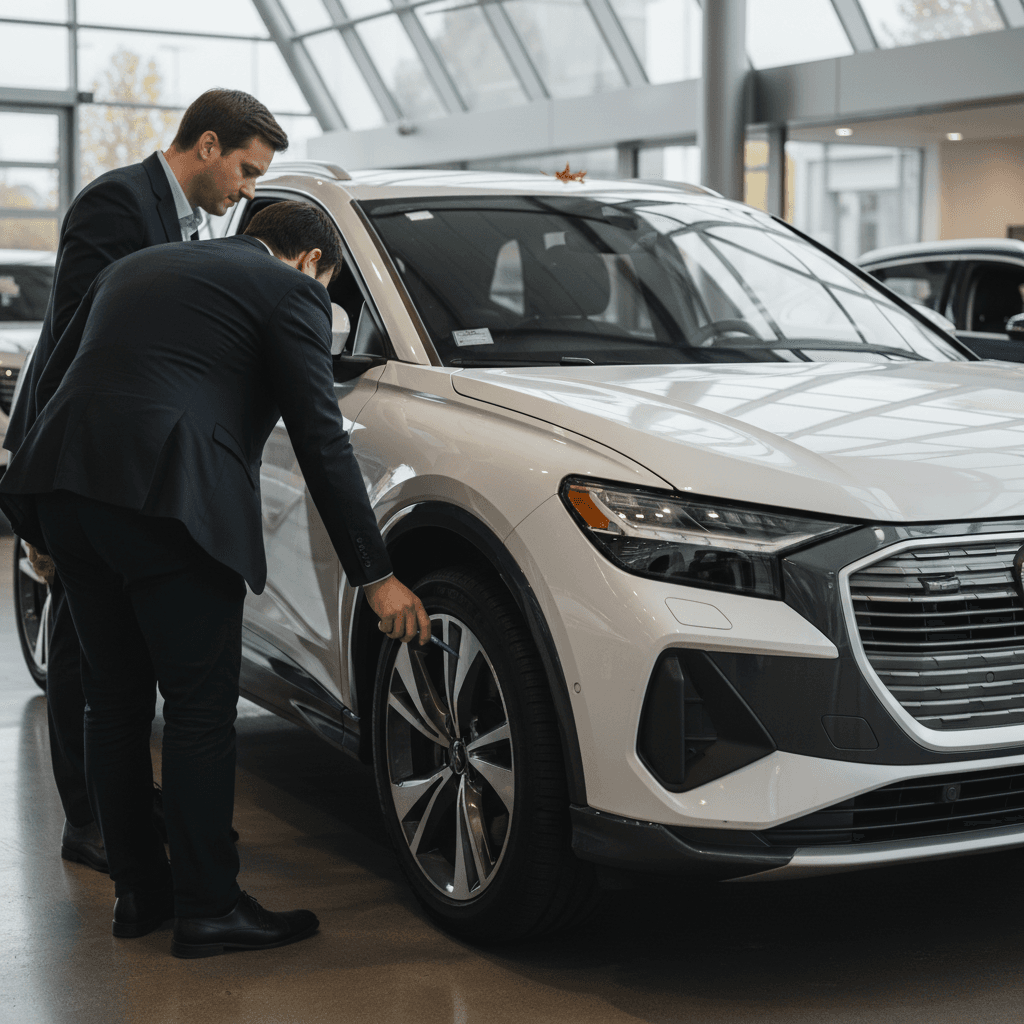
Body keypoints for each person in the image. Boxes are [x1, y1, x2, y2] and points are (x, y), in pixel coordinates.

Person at [0, 201, 431, 957]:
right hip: (168, 502)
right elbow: (321, 439)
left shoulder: (135, 266)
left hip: (66, 489)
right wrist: (377, 577)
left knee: (115, 702)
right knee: (199, 711)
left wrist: (31, 520)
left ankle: (138, 895)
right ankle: (209, 908)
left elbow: (49, 379)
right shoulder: (292, 291)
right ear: (310, 262)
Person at [5, 89, 289, 874]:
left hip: (110, 460)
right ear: (205, 145)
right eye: (244, 169)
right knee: (83, 653)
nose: (247, 190)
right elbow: (78, 345)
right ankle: (89, 818)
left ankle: (125, 807)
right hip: (83, 455)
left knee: (109, 660)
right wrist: (48, 492)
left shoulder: (191, 221)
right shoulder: (117, 206)